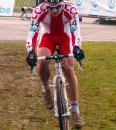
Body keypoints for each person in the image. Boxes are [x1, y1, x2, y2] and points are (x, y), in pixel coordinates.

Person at [26, 0, 85, 128]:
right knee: (42, 62)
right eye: (50, 8)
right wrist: (30, 51)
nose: (54, 11)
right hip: (48, 37)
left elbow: (76, 31)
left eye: (58, 7)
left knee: (68, 68)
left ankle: (75, 110)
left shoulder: (71, 9)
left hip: (65, 37)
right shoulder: (38, 11)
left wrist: (77, 47)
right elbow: (32, 34)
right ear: (45, 4)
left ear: (63, 4)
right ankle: (46, 88)